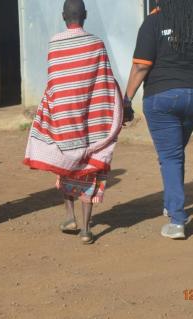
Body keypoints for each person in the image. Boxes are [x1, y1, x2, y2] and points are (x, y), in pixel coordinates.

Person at [124, 0, 193, 239]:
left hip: (161, 99)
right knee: (174, 152)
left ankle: (177, 220)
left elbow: (141, 66)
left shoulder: (152, 23)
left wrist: (126, 99)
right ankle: (170, 202)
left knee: (170, 156)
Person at [24, 0, 128, 244]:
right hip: (92, 121)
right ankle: (85, 229)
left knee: (66, 164)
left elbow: (55, 84)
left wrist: (50, 113)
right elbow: (106, 80)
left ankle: (69, 216)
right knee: (89, 171)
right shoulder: (97, 44)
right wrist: (119, 106)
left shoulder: (54, 44)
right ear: (86, 16)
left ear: (63, 16)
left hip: (64, 119)